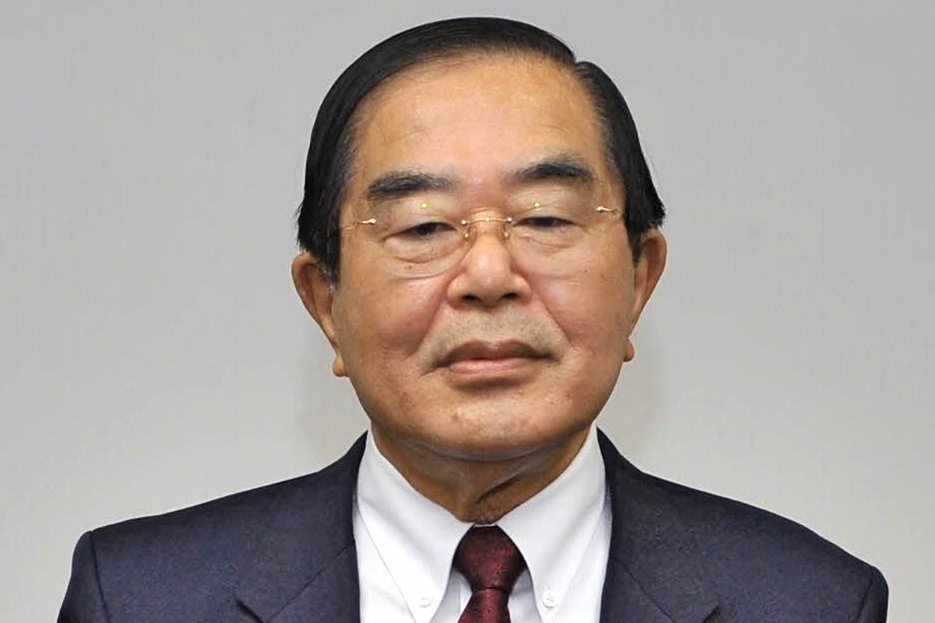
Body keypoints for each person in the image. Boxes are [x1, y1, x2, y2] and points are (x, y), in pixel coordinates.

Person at [58, 16, 888, 623]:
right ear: (325, 301)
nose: (489, 275)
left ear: (639, 279)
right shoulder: (138, 597)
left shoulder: (810, 600)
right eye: (423, 226)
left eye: (546, 217)